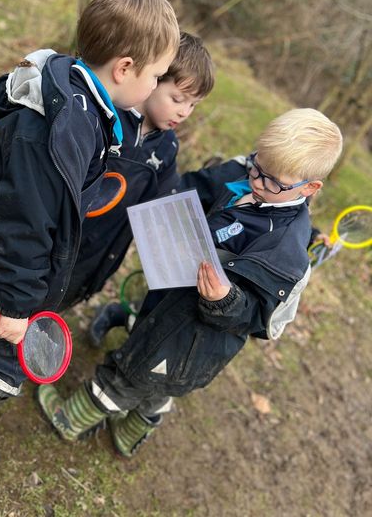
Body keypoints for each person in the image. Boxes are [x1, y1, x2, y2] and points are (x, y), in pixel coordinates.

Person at [0, 0, 180, 473]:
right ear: (124, 68)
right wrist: (18, 305)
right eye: (154, 77)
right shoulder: (61, 129)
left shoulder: (83, 101)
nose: (153, 90)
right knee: (5, 352)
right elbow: (23, 223)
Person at [37, 109, 343, 458]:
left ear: (310, 187)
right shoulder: (249, 177)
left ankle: (70, 420)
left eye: (273, 182)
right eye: (258, 166)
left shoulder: (282, 249)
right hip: (172, 300)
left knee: (128, 374)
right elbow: (196, 187)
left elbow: (259, 315)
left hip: (194, 336)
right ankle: (134, 430)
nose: (257, 181)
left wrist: (225, 300)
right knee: (157, 382)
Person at [57, 32, 215, 345]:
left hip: (101, 251)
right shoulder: (107, 117)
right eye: (178, 99)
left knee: (63, 297)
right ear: (153, 80)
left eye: (193, 105)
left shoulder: (167, 147)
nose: (184, 112)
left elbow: (163, 205)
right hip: (64, 236)